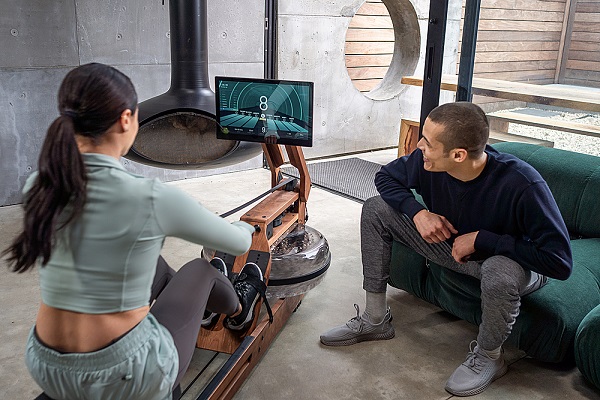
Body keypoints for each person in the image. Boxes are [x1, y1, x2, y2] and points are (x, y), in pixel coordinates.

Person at [2, 63, 267, 400]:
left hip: (46, 363)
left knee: (153, 264)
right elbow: (239, 241)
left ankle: (203, 310)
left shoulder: (38, 186)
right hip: (124, 375)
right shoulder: (151, 198)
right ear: (126, 119)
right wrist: (242, 224)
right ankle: (238, 312)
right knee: (202, 269)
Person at [320, 102, 572, 396]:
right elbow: (385, 177)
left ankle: (490, 356)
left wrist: (483, 240)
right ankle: (375, 320)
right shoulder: (426, 162)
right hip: (453, 248)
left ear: (458, 155)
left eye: (427, 142)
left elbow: (559, 262)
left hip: (512, 265)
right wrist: (418, 212)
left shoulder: (522, 184)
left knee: (498, 270)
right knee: (376, 208)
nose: (419, 145)